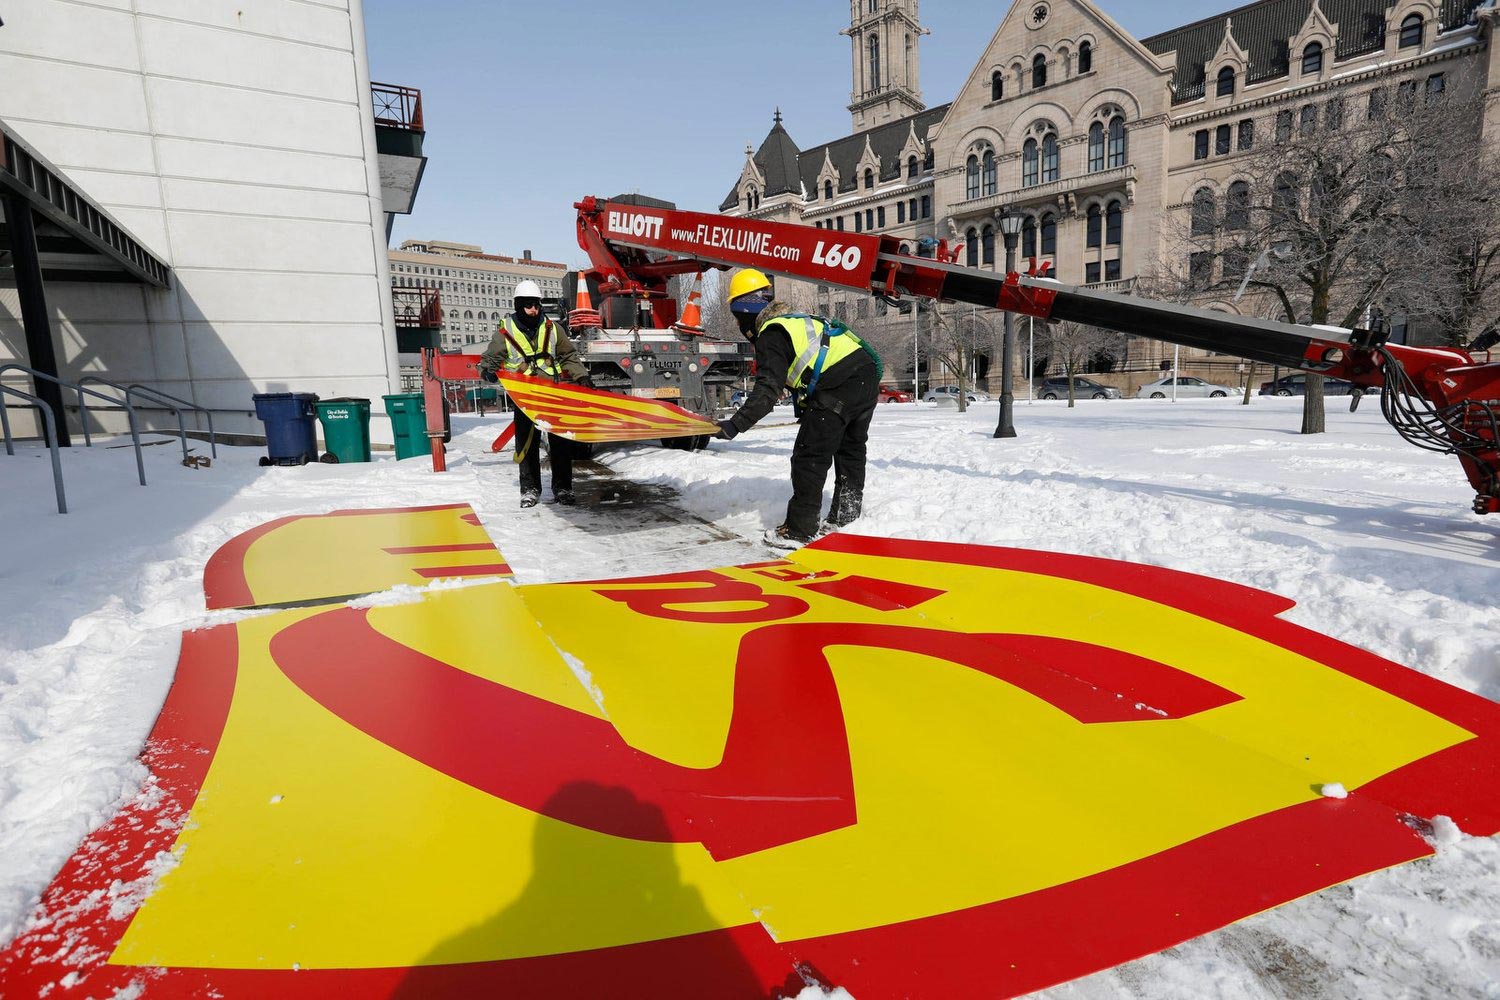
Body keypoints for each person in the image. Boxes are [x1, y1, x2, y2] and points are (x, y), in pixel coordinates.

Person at [715, 268, 880, 549]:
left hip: (837, 384)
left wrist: (734, 425)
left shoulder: (772, 332)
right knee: (850, 450)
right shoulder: (795, 320)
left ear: (742, 308)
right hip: (864, 375)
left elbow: (767, 392)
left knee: (809, 456)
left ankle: (798, 531)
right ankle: (845, 517)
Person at [478, 279, 592, 508]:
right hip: (525, 398)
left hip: (552, 394)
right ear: (519, 305)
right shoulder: (505, 331)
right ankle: (530, 489)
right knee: (527, 444)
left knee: (560, 443)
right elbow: (490, 359)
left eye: (536, 304)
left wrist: (581, 375)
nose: (534, 309)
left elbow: (568, 355)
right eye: (529, 305)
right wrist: (487, 372)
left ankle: (563, 488)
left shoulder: (552, 328)